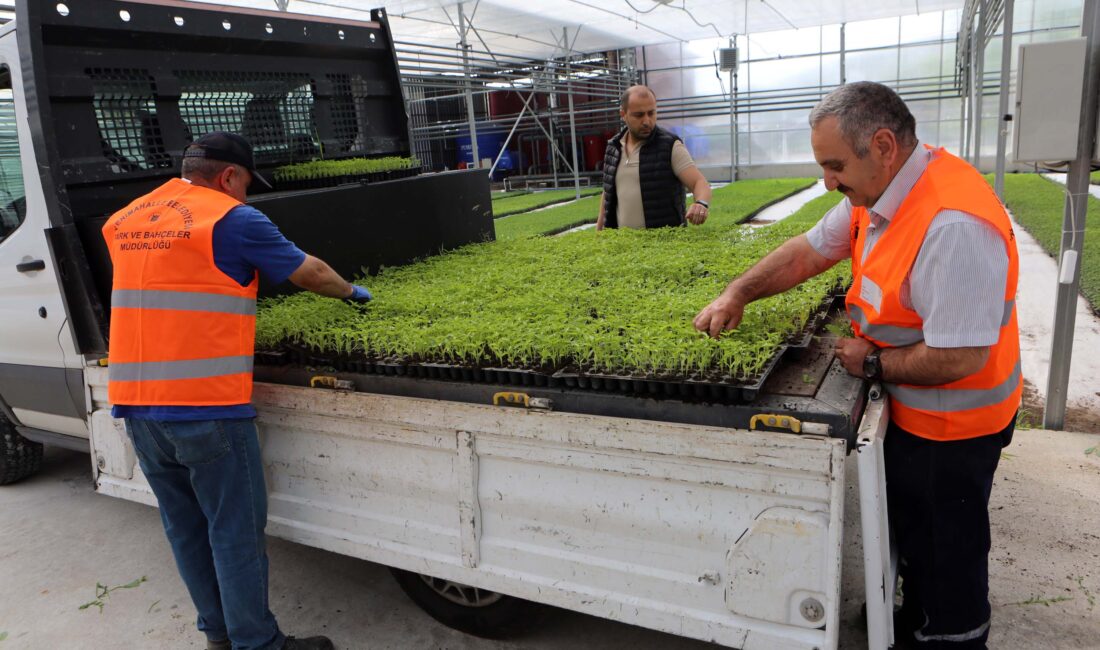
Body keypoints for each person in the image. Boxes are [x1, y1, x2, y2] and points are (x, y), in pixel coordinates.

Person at [693, 81, 1021, 649]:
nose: (828, 182)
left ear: (885, 145)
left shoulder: (953, 225)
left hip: (954, 433)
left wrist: (872, 362)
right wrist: (737, 294)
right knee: (917, 538)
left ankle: (952, 636)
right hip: (915, 414)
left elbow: (960, 355)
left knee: (949, 555)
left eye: (835, 165)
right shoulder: (876, 196)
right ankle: (914, 610)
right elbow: (809, 250)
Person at [102, 132, 370, 650]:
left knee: (185, 529)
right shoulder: (231, 218)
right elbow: (308, 273)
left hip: (137, 407)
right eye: (246, 184)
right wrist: (352, 292)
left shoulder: (126, 218)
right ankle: (258, 643)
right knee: (234, 532)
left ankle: (219, 634)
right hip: (205, 409)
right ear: (229, 176)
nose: (247, 195)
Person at [596, 85, 713, 230]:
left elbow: (699, 182)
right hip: (623, 246)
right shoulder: (613, 147)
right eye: (639, 115)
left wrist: (701, 203)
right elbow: (608, 193)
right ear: (623, 114)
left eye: (651, 113)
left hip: (663, 245)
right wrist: (599, 234)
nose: (646, 121)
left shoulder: (670, 146)